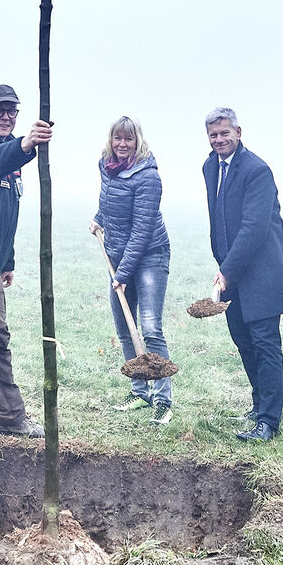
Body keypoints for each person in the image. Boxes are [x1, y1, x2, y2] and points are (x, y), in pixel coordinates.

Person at [203, 107, 283, 442]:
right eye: (213, 135)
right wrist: (224, 267)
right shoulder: (210, 167)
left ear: (238, 132)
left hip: (263, 272)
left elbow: (254, 229)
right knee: (243, 341)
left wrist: (227, 270)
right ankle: (258, 406)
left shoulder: (257, 171)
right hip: (232, 271)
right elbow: (219, 219)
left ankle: (268, 421)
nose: (219, 140)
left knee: (265, 344)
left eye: (225, 133)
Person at [0, 84, 53, 437]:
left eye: (12, 111)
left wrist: (7, 259)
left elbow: (5, 212)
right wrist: (24, 145)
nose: (6, 117)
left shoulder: (10, 156)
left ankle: (9, 418)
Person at [90, 116, 173, 425]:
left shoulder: (148, 176)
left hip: (149, 255)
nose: (122, 144)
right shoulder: (106, 165)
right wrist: (99, 218)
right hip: (117, 255)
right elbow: (109, 201)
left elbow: (141, 230)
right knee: (125, 328)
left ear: (138, 141)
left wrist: (122, 275)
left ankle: (163, 399)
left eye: (128, 139)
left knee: (150, 329)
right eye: (117, 138)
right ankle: (140, 392)